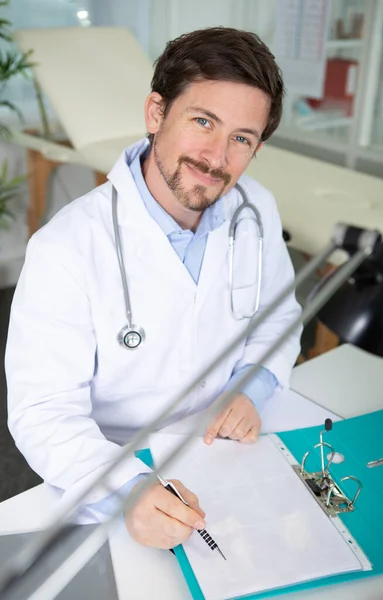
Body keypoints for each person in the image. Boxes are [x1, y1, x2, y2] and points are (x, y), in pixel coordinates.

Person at [5, 27, 301, 550]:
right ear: (156, 114)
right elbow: (42, 412)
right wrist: (128, 490)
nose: (216, 157)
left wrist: (252, 385)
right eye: (203, 121)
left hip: (227, 451)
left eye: (242, 139)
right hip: (112, 465)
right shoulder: (66, 247)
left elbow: (279, 318)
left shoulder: (257, 210)